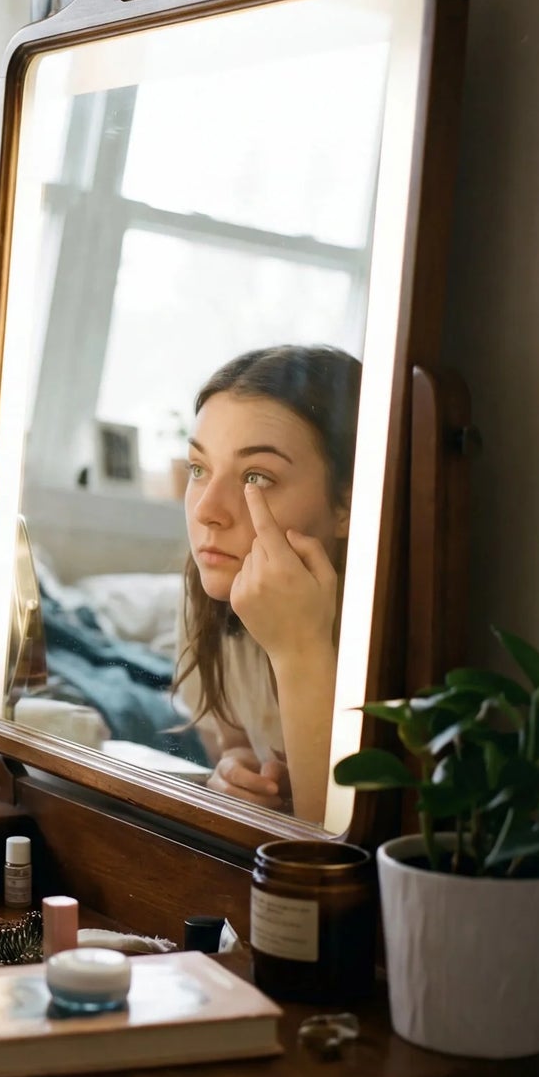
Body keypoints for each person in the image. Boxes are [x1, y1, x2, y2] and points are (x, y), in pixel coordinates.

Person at [172, 345, 362, 825]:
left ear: (346, 503)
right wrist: (236, 768)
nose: (206, 511)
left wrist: (300, 649)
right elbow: (232, 743)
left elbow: (336, 839)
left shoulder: (378, 639)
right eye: (199, 469)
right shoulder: (209, 589)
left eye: (256, 477)